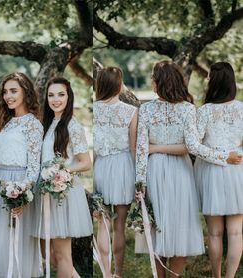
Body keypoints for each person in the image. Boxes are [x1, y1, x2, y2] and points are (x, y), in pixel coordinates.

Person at [135, 60, 241, 278]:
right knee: (184, 227)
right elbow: (191, 146)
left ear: (156, 83)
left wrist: (140, 181)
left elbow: (141, 150)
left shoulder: (146, 110)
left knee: (161, 227)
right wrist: (229, 156)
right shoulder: (189, 109)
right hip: (192, 171)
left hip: (157, 169)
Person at [0, 72, 43, 277]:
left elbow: (34, 165)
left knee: (14, 238)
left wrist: (23, 194)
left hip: (18, 184)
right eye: (5, 92)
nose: (8, 96)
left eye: (14, 91)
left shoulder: (33, 124)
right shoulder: (6, 121)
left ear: (26, 92)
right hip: (0, 182)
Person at [32, 77, 93, 278]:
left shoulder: (72, 126)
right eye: (51, 95)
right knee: (45, 251)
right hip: (45, 194)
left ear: (69, 97)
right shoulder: (48, 124)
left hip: (62, 193)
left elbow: (86, 162)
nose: (55, 99)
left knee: (61, 253)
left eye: (61, 94)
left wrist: (62, 173)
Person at [194, 62, 243, 278]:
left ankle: (217, 276)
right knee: (235, 233)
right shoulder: (242, 108)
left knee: (214, 233)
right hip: (237, 170)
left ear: (213, 82)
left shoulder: (203, 111)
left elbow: (196, 147)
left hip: (212, 172)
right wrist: (232, 155)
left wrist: (220, 156)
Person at [93, 67, 137, 278]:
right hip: (123, 167)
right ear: (119, 85)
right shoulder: (130, 111)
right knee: (119, 226)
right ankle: (118, 273)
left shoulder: (94, 109)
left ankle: (106, 273)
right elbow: (134, 147)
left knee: (103, 222)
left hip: (101, 165)